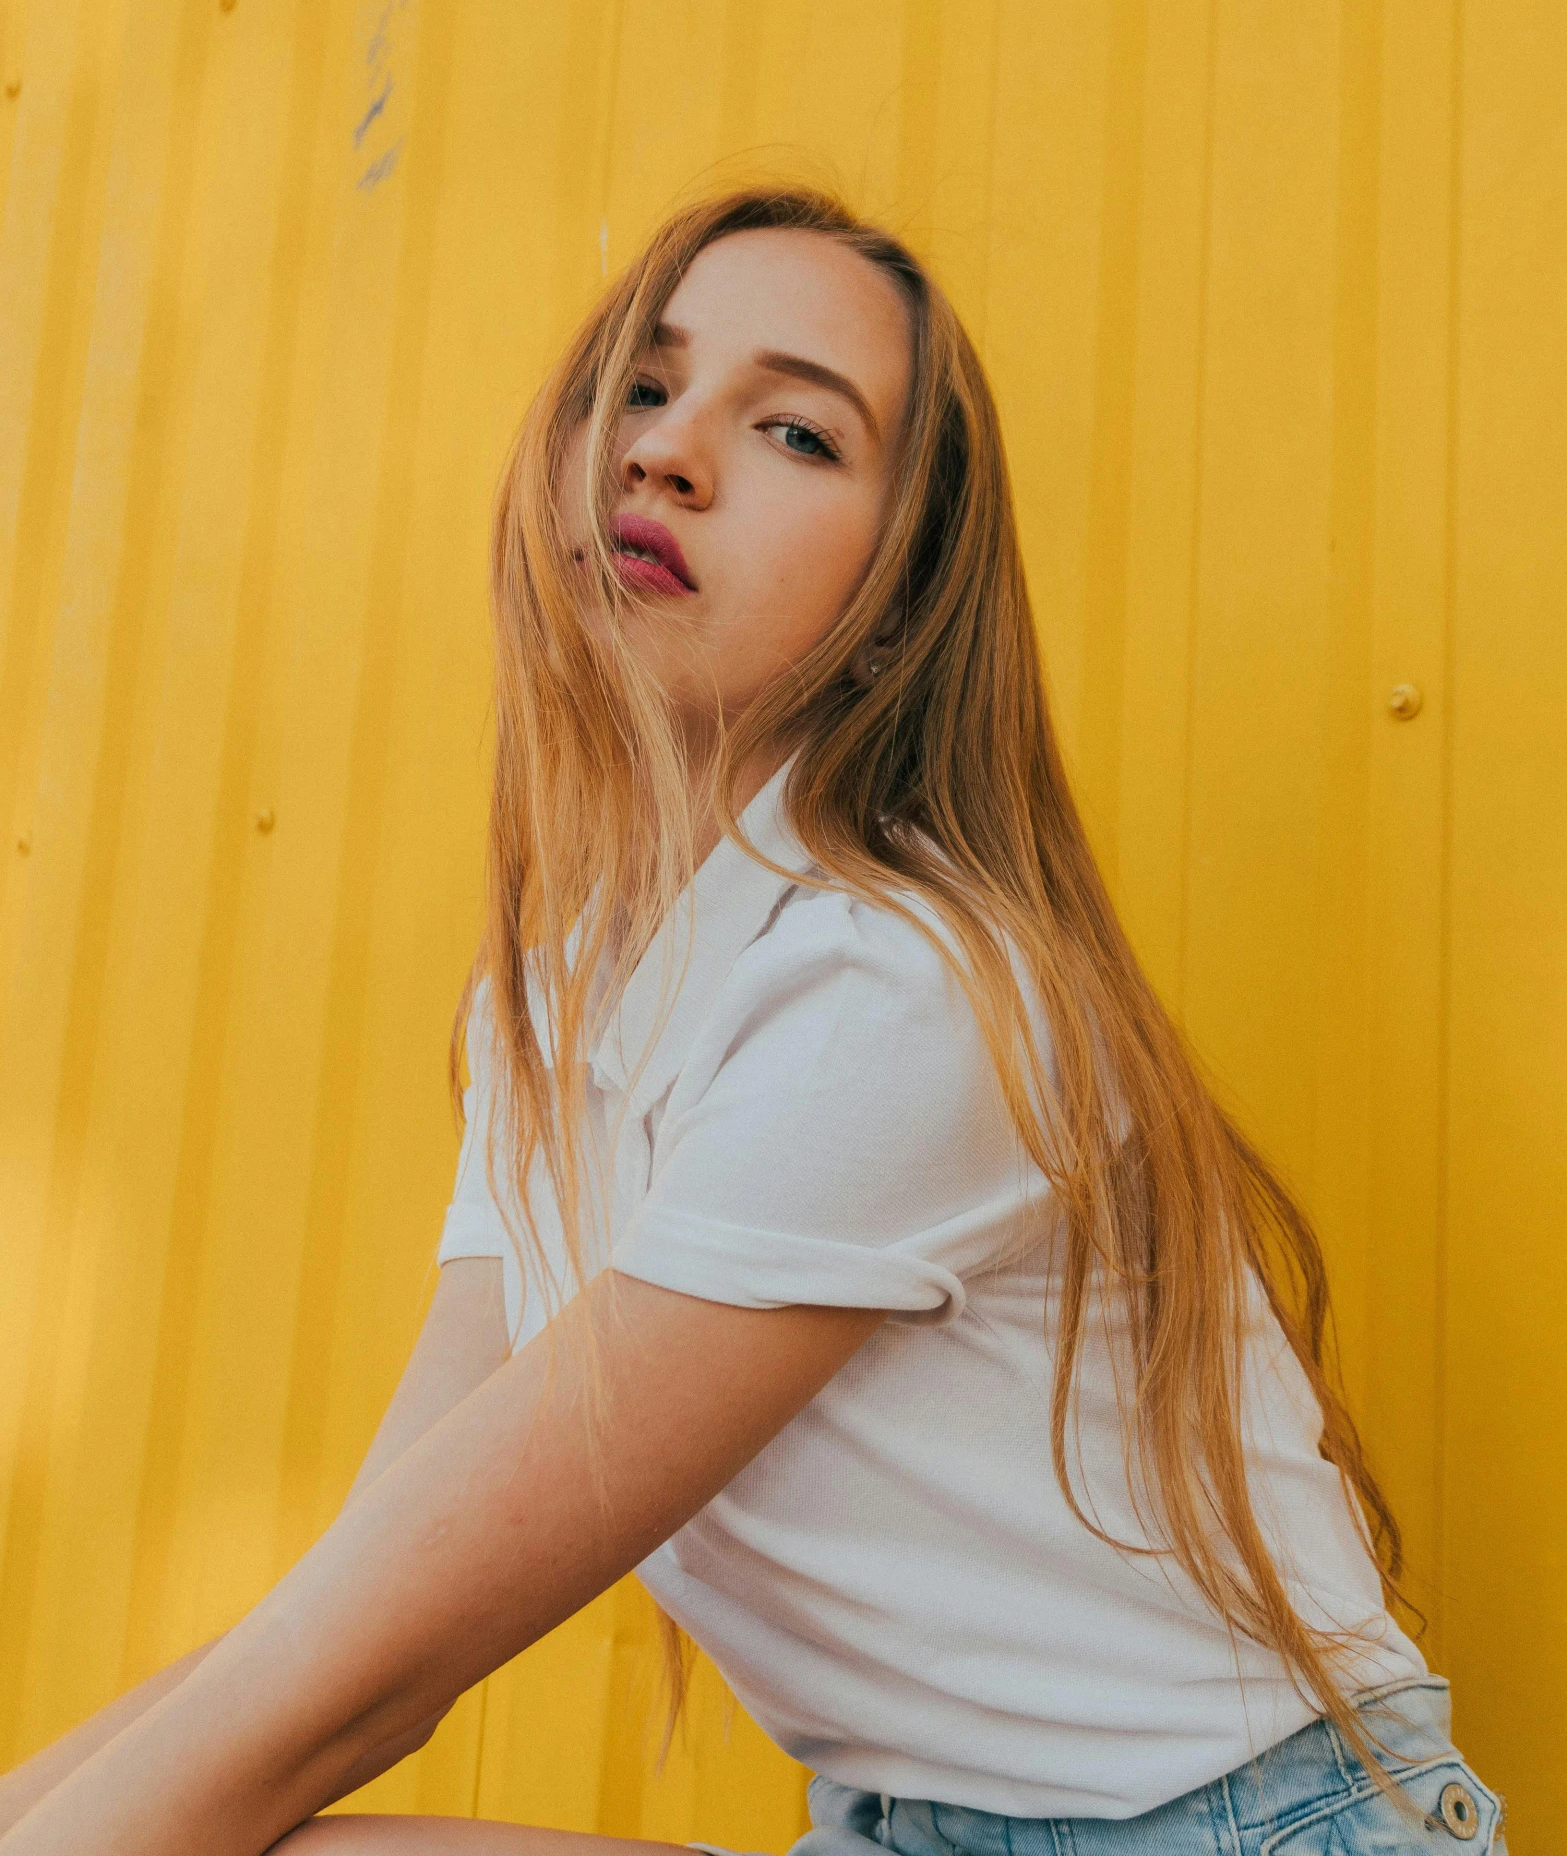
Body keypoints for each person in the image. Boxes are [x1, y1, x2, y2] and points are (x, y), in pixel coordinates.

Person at [0, 189, 1506, 1855]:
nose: (668, 454)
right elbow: (345, 1615)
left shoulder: (898, 985)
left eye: (793, 427)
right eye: (638, 388)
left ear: (902, 597)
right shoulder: (549, 1006)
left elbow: (368, 1679)